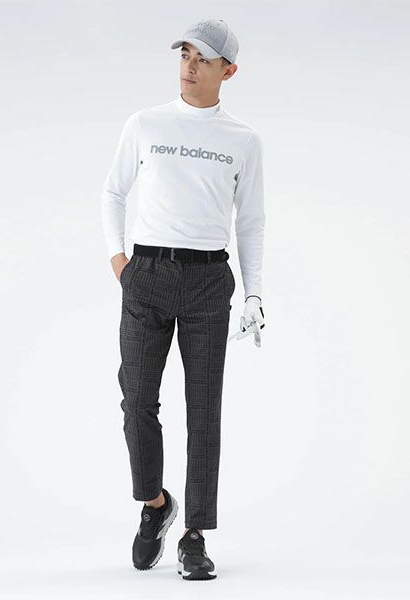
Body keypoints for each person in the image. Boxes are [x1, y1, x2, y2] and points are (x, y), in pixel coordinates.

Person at [100, 17, 266, 580]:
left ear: (228, 71)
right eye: (185, 55)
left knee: (204, 409)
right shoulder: (145, 123)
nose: (190, 66)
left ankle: (195, 535)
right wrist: (120, 261)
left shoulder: (242, 140)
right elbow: (113, 191)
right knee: (137, 399)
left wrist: (254, 292)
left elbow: (251, 221)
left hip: (207, 281)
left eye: (204, 58)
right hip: (146, 274)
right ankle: (155, 505)